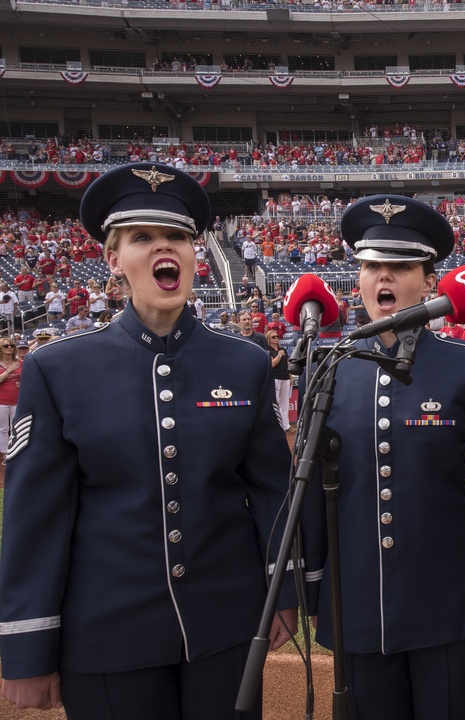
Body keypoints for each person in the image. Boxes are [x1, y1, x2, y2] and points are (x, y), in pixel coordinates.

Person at [0, 162, 298, 719]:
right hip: (107, 638)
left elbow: (271, 493)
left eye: (179, 237)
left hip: (225, 632)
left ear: (194, 254)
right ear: (113, 260)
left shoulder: (246, 363)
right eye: (142, 238)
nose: (167, 249)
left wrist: (283, 593)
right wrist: (27, 645)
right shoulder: (58, 369)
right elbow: (34, 518)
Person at [301, 194, 465, 720]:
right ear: (357, 278)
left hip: (447, 597)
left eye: (401, 266)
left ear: (428, 281)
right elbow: (308, 490)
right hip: (353, 597)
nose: (385, 278)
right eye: (373, 265)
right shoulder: (326, 367)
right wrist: (311, 585)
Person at [0, 336, 22, 465]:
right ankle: (5, 455)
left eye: (12, 346)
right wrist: (10, 370)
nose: (9, 348)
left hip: (17, 399)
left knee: (17, 427)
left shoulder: (20, 362)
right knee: (3, 428)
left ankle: (16, 452)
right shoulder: (12, 365)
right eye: (6, 346)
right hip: (2, 400)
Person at [266, 330, 290, 431]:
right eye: (273, 337)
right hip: (275, 378)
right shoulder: (268, 350)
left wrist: (291, 377)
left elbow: (288, 364)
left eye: (277, 336)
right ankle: (275, 425)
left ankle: (286, 425)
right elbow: (272, 364)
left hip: (286, 378)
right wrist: (279, 355)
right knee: (276, 403)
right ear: (269, 339)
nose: (276, 338)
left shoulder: (283, 349)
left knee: (285, 403)